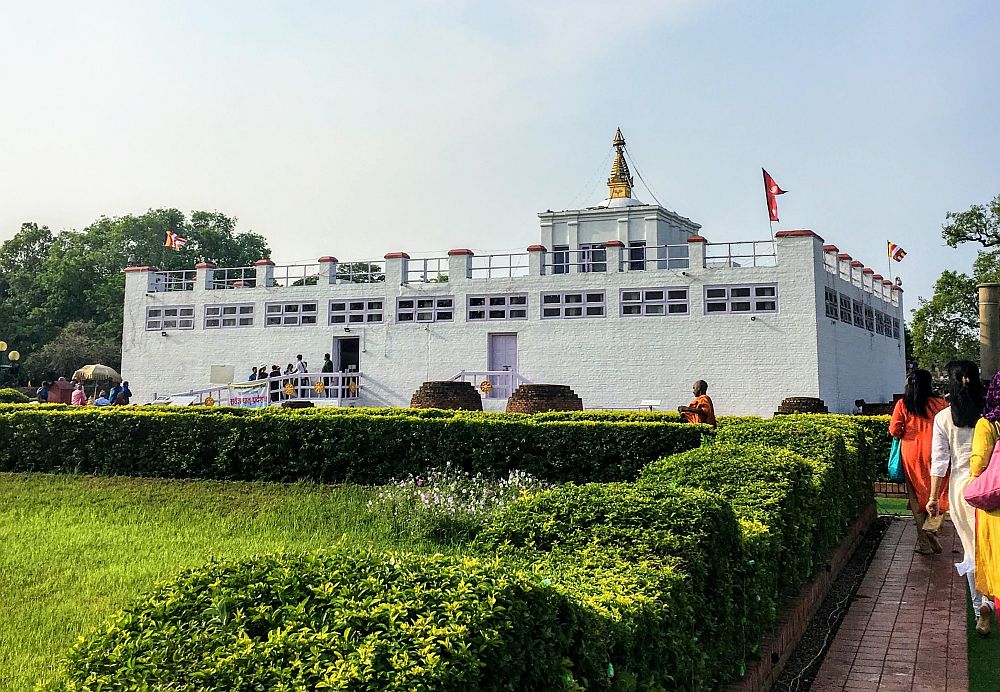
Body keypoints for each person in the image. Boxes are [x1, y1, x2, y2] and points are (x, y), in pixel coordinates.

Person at [927, 361, 990, 634]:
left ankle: (980, 608)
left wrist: (932, 498)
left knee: (971, 549)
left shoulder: (943, 418)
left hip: (962, 490)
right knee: (994, 547)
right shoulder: (991, 414)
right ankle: (992, 600)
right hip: (993, 486)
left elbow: (939, 463)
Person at [889, 369, 948, 555]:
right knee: (939, 493)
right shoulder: (941, 403)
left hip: (911, 453)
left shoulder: (903, 404)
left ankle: (924, 544)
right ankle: (933, 527)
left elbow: (894, 430)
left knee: (916, 497)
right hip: (937, 451)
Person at [968, 371, 1000, 637]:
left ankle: (988, 605)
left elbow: (979, 463)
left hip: (994, 509)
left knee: (996, 565)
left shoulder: (988, 425)